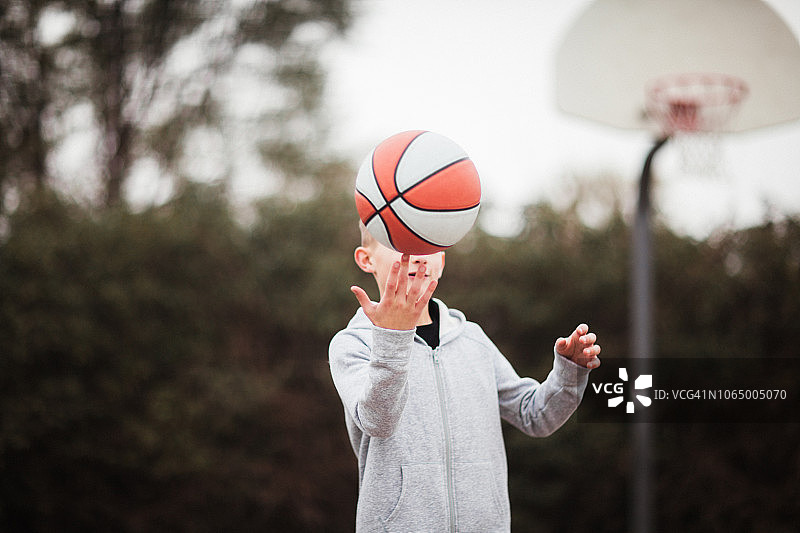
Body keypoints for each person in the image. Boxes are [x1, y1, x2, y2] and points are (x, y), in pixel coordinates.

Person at [328, 223, 601, 532]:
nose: (417, 256)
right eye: (401, 243)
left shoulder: (473, 340)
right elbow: (379, 420)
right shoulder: (352, 344)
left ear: (441, 262)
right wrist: (392, 337)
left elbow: (535, 416)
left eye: (427, 244)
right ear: (366, 260)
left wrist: (568, 371)